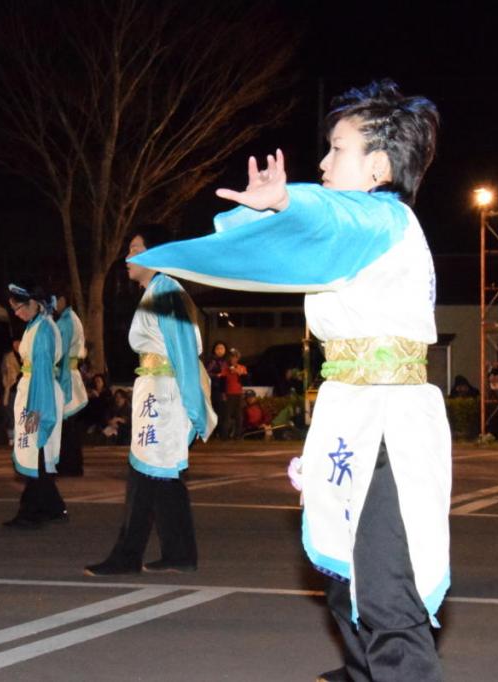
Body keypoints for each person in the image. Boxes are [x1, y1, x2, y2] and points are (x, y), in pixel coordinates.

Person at [130, 80, 449, 680]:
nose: (324, 162)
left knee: (384, 592)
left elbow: (326, 215)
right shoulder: (365, 227)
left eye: (337, 150)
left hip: (386, 426)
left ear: (378, 165)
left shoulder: (381, 218)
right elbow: (309, 234)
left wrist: (288, 203)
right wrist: (274, 212)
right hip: (354, 411)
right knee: (344, 577)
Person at [85, 225, 216, 576]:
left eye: (135, 249)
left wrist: (195, 408)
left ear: (157, 254)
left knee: (144, 476)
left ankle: (128, 555)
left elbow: (185, 354)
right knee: (163, 476)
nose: (127, 257)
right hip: (156, 393)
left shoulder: (167, 293)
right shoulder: (156, 292)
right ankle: (179, 552)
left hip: (164, 397)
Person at [2, 282, 67, 529]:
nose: (16, 313)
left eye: (18, 307)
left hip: (38, 397)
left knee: (35, 451)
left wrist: (36, 411)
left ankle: (31, 511)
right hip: (35, 392)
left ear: (32, 303)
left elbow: (40, 371)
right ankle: (52, 506)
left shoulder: (42, 330)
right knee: (38, 453)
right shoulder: (37, 325)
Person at [54, 290, 88, 476]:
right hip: (71, 375)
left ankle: (69, 465)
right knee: (70, 428)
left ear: (62, 298)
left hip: (66, 377)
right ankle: (72, 465)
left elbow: (61, 354)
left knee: (68, 428)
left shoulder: (66, 322)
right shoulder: (70, 318)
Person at [220, 348, 248, 438]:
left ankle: (238, 435)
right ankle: (224, 435)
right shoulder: (225, 369)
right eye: (232, 357)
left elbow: (245, 381)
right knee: (227, 415)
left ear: (238, 358)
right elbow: (222, 383)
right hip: (229, 394)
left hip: (239, 393)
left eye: (235, 357)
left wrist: (239, 373)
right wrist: (223, 394)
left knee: (239, 415)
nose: (233, 359)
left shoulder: (242, 368)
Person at [205, 340, 229, 439]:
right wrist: (217, 376)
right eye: (218, 348)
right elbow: (206, 373)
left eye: (222, 348)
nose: (220, 350)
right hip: (215, 389)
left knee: (223, 413)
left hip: (225, 389)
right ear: (214, 350)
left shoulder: (226, 361)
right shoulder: (212, 361)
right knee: (216, 411)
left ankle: (222, 434)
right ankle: (214, 434)